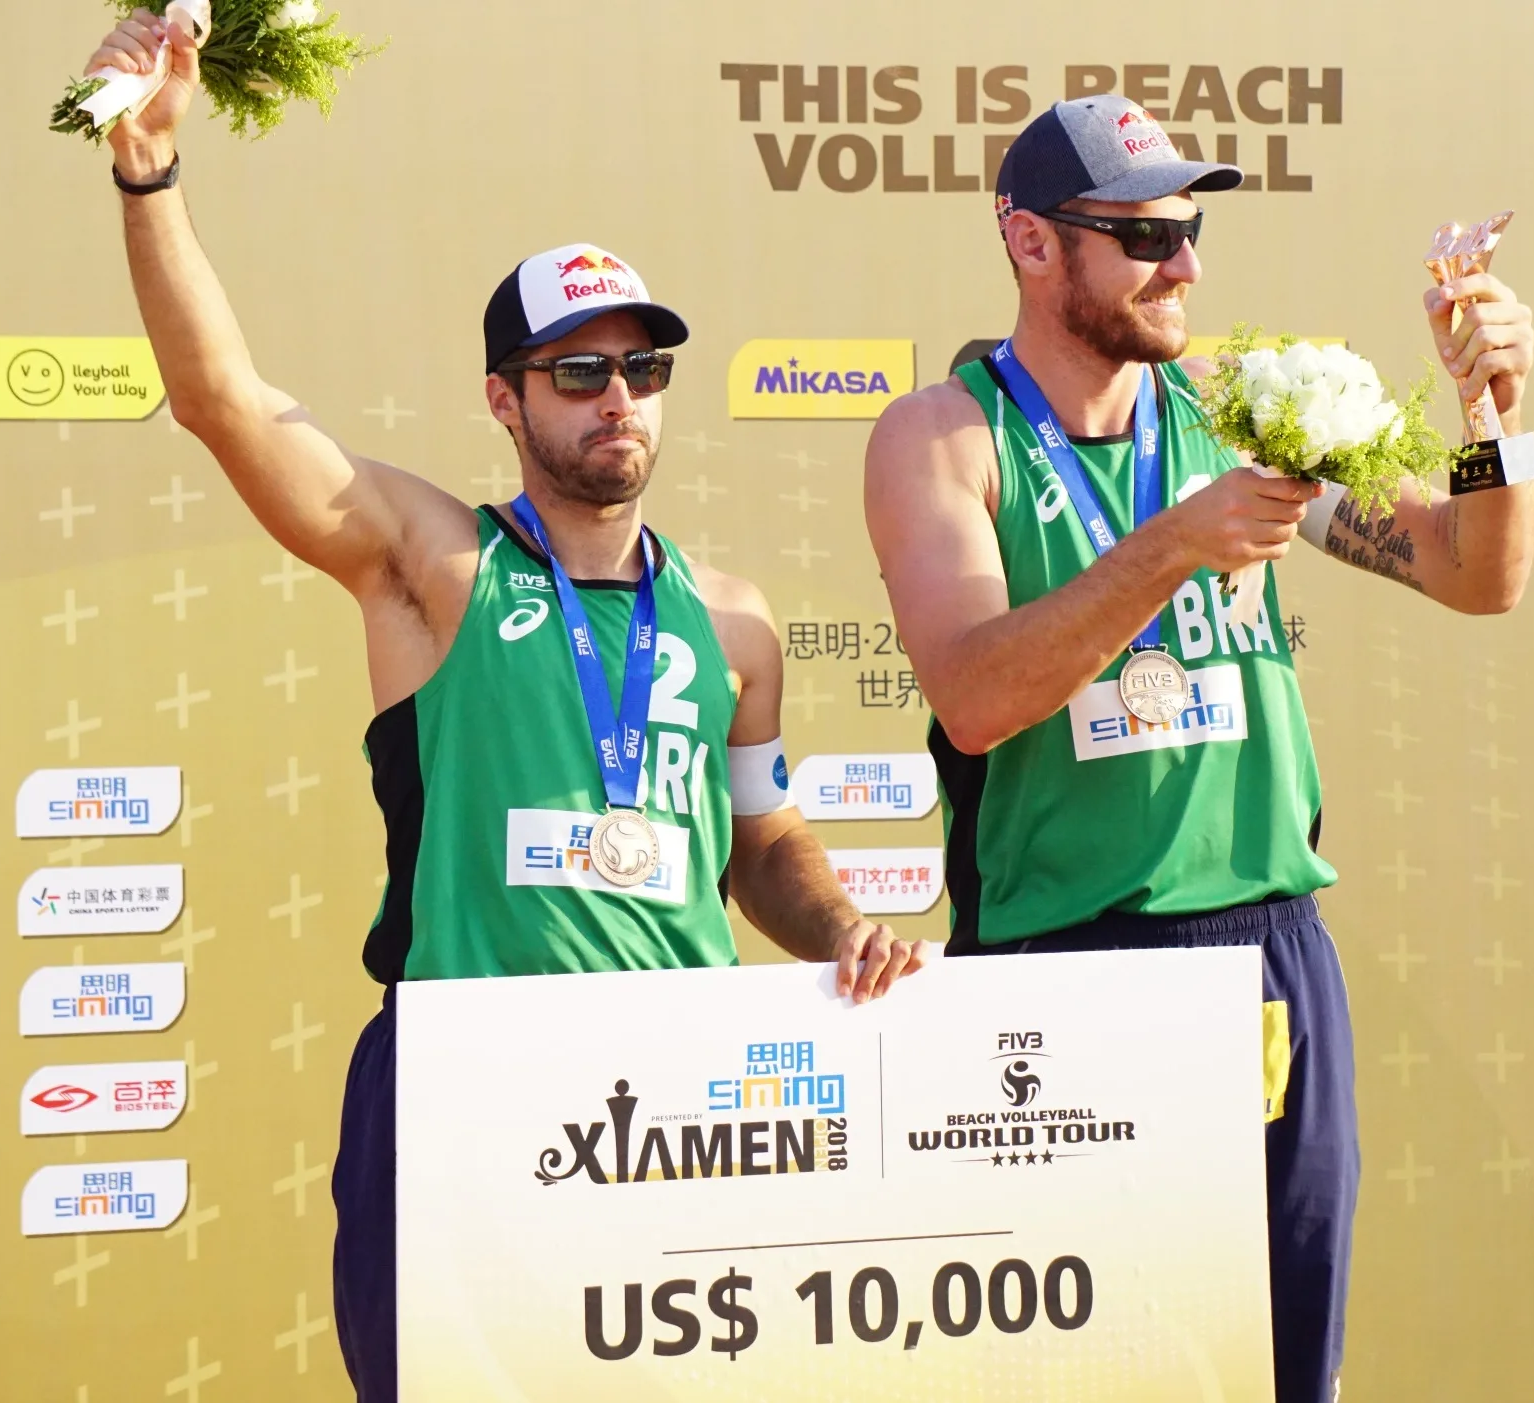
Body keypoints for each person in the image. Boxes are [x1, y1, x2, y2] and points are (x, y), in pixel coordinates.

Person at [85, 11, 928, 1401]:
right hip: (466, 1077)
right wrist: (149, 173)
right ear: (504, 394)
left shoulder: (735, 620)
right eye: (578, 370)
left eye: (641, 370)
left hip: (680, 1101)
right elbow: (223, 401)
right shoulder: (436, 564)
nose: (618, 401)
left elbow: (760, 841)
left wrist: (842, 929)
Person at [862, 95, 1534, 1403]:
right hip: (1065, 968)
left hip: (1269, 955)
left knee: (1286, 1373)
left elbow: (1475, 574)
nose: (1187, 263)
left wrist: (1491, 414)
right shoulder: (943, 434)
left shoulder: (1239, 405)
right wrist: (1178, 541)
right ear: (1032, 243)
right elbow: (973, 694)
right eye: (1146, 234)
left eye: (1192, 227)